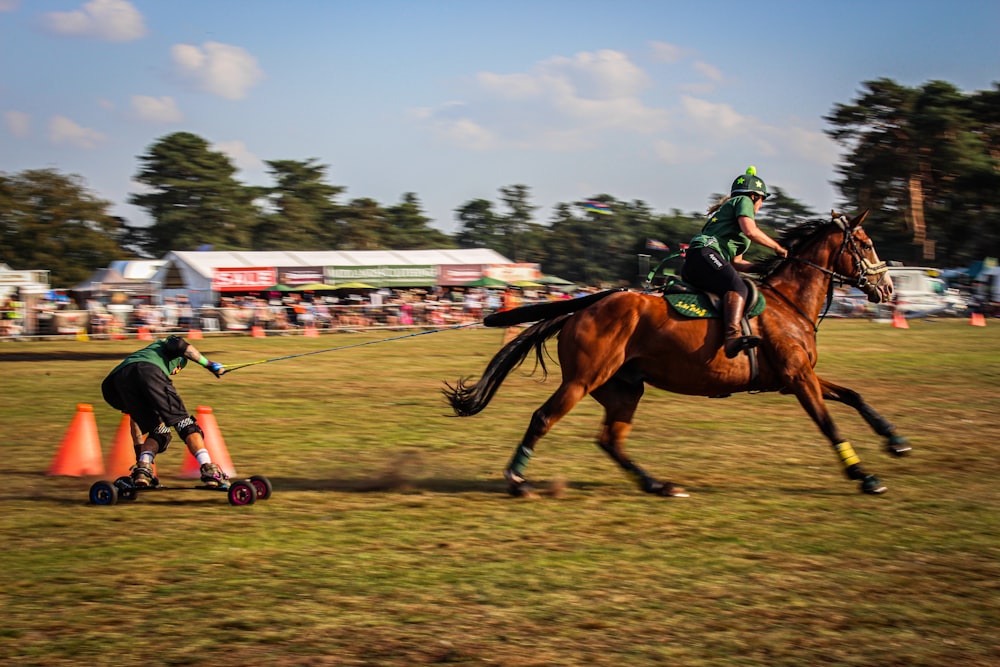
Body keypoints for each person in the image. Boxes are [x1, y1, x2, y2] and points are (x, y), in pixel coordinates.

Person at [681, 166, 788, 358]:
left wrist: (762, 268)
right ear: (755, 196)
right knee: (739, 288)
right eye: (762, 200)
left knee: (732, 286)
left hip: (700, 259)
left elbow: (736, 262)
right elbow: (751, 231)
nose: (761, 206)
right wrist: (778, 248)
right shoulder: (744, 200)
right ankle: (732, 337)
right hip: (706, 254)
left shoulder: (729, 217)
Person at [101, 335, 228, 488]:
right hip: (148, 372)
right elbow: (181, 345)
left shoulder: (143, 354)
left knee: (159, 432)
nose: (173, 372)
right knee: (186, 425)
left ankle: (143, 470)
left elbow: (135, 420)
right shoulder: (167, 346)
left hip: (117, 382)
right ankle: (209, 470)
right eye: (176, 370)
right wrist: (209, 364)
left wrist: (139, 456)